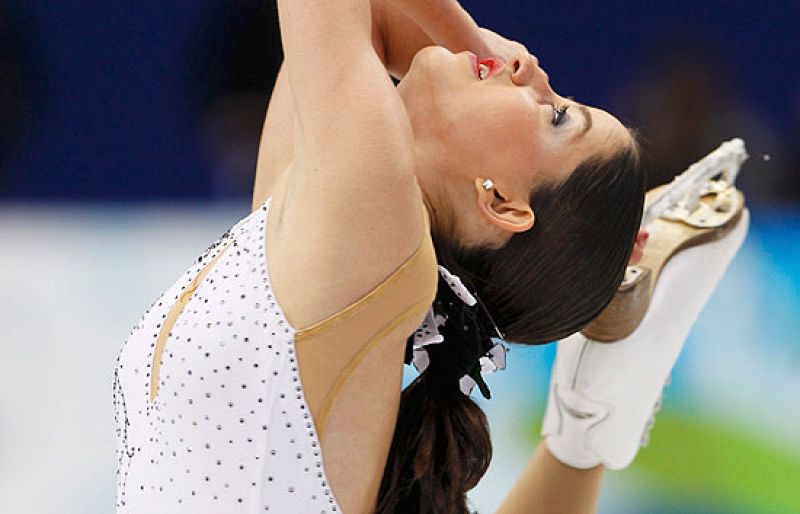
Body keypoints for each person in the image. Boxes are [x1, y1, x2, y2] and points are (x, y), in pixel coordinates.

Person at [113, 1, 649, 513]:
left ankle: (590, 417)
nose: (531, 73)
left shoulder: (372, 228)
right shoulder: (330, 230)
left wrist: (472, 46)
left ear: (502, 203)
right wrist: (485, 56)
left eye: (555, 116)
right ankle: (591, 415)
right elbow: (377, 20)